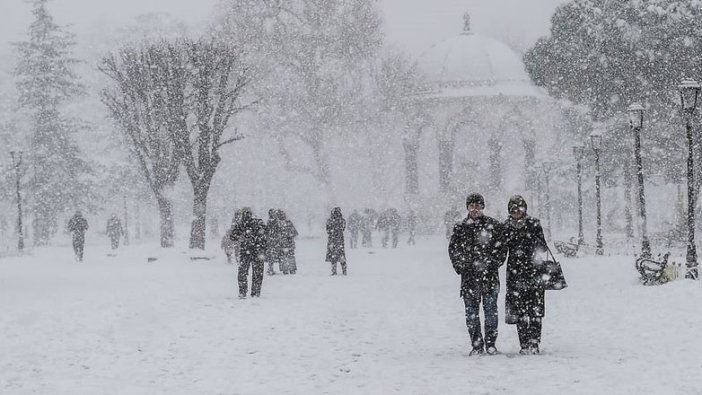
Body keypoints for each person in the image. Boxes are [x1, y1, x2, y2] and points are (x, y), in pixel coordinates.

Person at [448, 193, 506, 356]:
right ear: (467, 207)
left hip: (489, 277)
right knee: (471, 314)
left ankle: (491, 344)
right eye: (472, 206)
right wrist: (460, 266)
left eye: (478, 206)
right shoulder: (460, 227)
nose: (475, 209)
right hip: (469, 279)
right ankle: (477, 345)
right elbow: (453, 249)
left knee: (491, 312)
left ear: (482, 207)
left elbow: (501, 248)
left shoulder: (493, 225)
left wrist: (493, 263)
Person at [502, 195, 548, 355]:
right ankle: (524, 343)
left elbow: (542, 247)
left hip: (534, 272)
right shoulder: (506, 226)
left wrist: (529, 251)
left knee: (535, 310)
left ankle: (534, 343)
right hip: (515, 274)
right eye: (513, 210)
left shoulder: (534, 224)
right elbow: (501, 250)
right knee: (519, 310)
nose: (516, 212)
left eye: (519, 209)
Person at [230, 207, 267, 298]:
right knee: (255, 273)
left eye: (247, 213)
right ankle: (253, 292)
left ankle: (246, 292)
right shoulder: (250, 223)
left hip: (250, 251)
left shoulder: (248, 223)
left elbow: (233, 236)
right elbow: (233, 236)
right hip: (253, 251)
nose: (246, 215)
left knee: (247, 272)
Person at [326, 207, 347, 275]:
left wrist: (332, 232)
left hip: (332, 240)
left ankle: (334, 271)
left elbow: (328, 230)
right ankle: (344, 270)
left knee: (333, 255)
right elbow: (343, 228)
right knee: (341, 255)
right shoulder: (342, 220)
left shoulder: (330, 220)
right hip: (340, 239)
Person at [279, 210, 298, 274]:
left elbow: (295, 232)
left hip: (287, 243)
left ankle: (290, 269)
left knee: (288, 256)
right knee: (287, 257)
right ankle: (287, 269)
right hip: (284, 244)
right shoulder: (278, 224)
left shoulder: (288, 223)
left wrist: (290, 236)